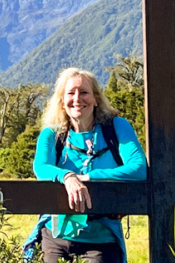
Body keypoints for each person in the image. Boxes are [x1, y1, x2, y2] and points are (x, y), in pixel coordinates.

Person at [23, 67, 147, 263]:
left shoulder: (116, 127)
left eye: (84, 92)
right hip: (55, 235)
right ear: (62, 102)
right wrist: (68, 177)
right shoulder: (51, 134)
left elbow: (139, 168)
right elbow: (41, 168)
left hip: (102, 238)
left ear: (96, 98)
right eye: (70, 93)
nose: (77, 98)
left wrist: (89, 177)